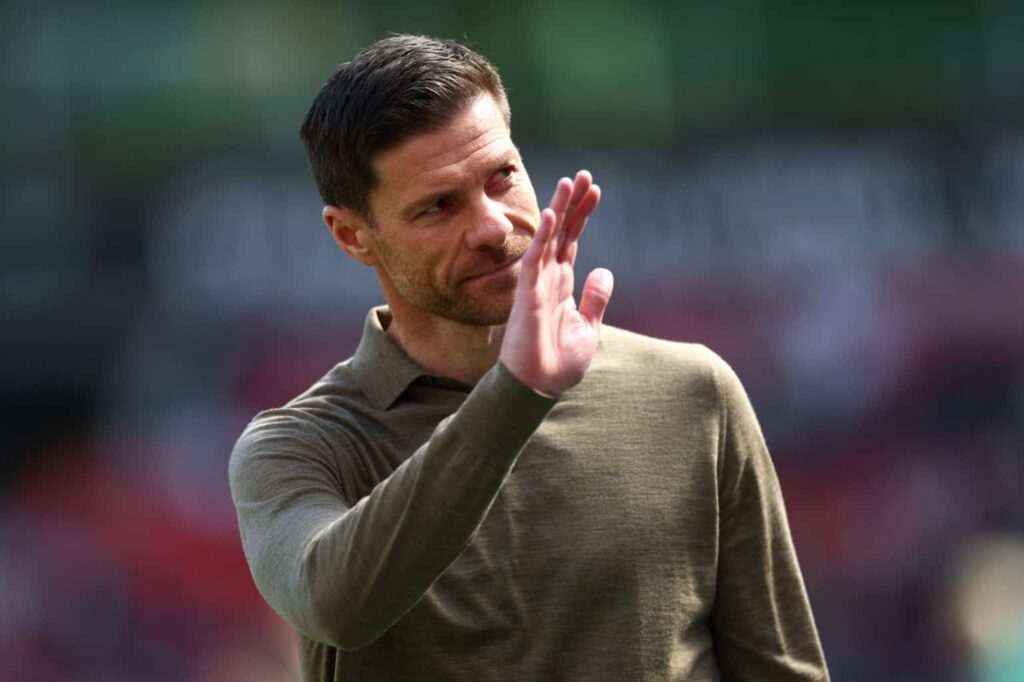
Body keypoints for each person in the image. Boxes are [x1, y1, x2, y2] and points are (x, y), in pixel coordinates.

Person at [229, 34, 829, 681]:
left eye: (502, 177)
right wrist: (515, 394)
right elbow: (334, 605)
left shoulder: (692, 391)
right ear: (353, 235)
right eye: (438, 206)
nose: (492, 226)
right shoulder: (301, 447)